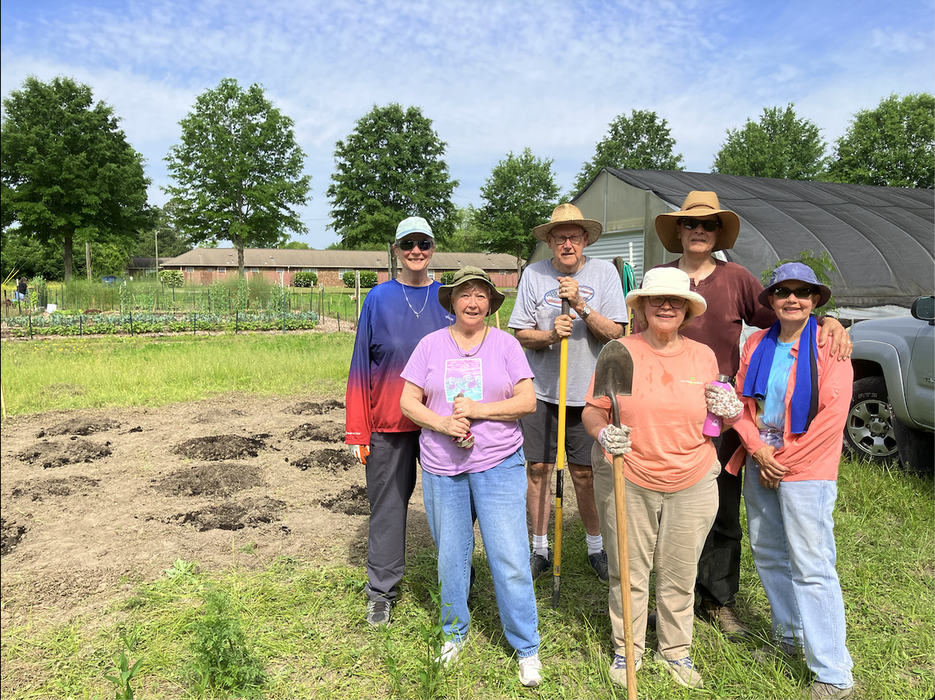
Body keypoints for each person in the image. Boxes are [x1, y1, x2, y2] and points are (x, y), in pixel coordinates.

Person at [644, 191, 851, 638]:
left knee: (721, 511)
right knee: (665, 511)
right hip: (666, 411)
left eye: (710, 225)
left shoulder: (735, 276)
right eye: (691, 224)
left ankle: (718, 600)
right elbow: (641, 338)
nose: (700, 230)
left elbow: (786, 317)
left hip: (724, 415)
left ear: (719, 234)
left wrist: (829, 322)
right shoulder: (660, 278)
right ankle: (670, 599)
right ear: (678, 230)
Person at [582, 267, 743, 690]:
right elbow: (594, 409)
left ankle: (676, 650)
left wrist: (731, 412)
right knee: (628, 571)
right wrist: (603, 432)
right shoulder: (618, 351)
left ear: (688, 309)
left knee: (679, 571)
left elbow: (716, 423)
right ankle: (627, 649)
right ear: (643, 306)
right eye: (657, 300)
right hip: (629, 474)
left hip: (691, 477)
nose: (666, 306)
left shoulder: (703, 356)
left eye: (676, 301)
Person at [399, 266, 543, 687]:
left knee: (510, 556)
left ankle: (526, 646)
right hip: (444, 468)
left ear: (491, 303)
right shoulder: (429, 346)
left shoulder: (506, 344)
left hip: (498, 462)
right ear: (452, 302)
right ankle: (453, 633)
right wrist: (443, 424)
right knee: (451, 557)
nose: (473, 302)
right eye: (465, 294)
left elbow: (528, 400)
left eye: (481, 295)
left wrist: (479, 410)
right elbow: (408, 400)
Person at [728, 263, 855, 700]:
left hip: (806, 468)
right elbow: (742, 402)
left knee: (812, 565)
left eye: (803, 292)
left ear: (816, 300)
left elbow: (832, 418)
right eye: (783, 292)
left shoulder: (828, 344)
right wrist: (758, 450)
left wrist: (781, 460)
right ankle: (790, 635)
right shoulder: (757, 343)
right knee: (767, 552)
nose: (793, 299)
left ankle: (834, 672)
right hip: (761, 458)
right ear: (771, 300)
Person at [509, 203, 628, 582]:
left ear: (585, 239)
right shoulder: (533, 274)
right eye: (559, 237)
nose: (567, 243)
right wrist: (548, 336)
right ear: (549, 241)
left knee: (584, 474)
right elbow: (521, 334)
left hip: (588, 394)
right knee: (540, 469)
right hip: (543, 391)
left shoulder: (605, 273)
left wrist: (580, 305)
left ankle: (596, 549)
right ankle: (540, 549)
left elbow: (617, 334)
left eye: (574, 236)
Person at [345, 215, 452, 628]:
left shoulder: (448, 298)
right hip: (388, 422)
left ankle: (457, 581)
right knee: (387, 507)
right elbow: (360, 365)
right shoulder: (377, 299)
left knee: (453, 507)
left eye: (423, 243)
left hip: (439, 423)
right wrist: (359, 427)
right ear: (396, 250)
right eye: (408, 243)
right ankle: (381, 592)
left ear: (432, 248)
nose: (416, 251)